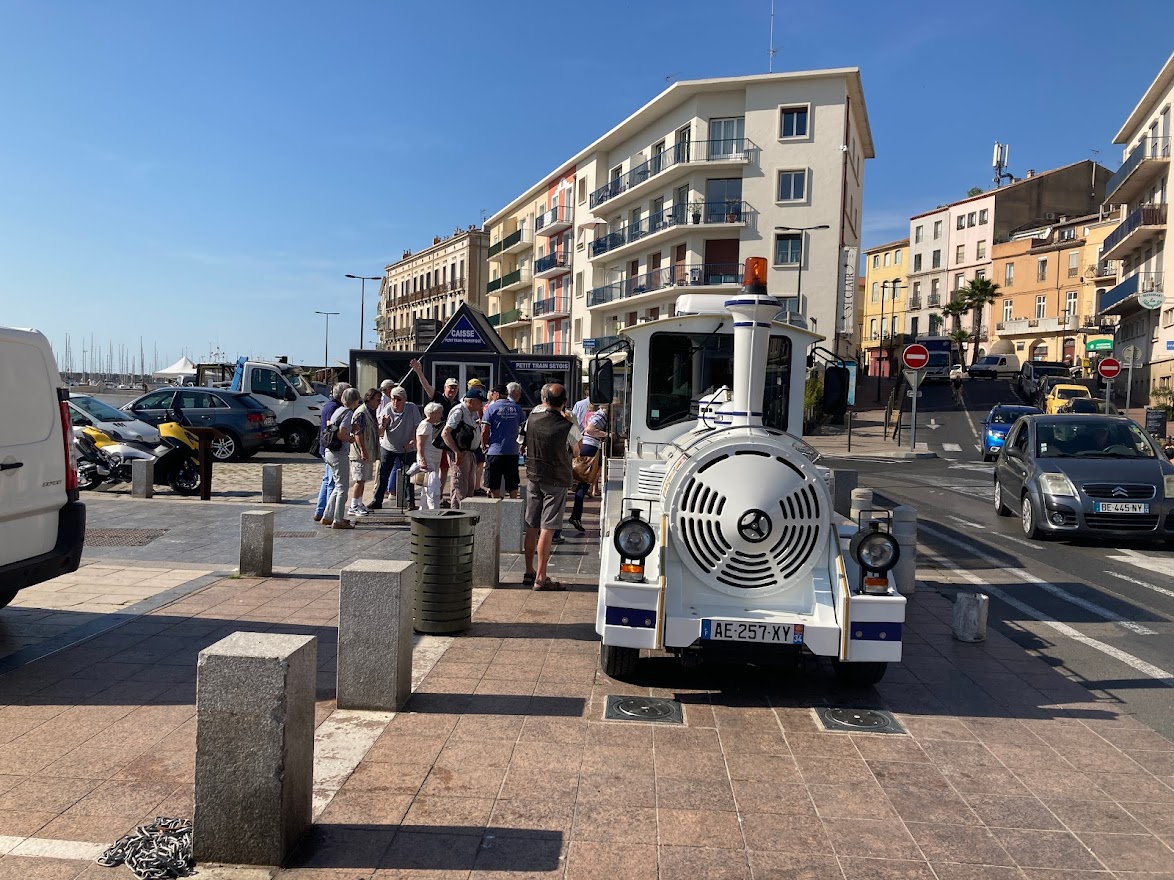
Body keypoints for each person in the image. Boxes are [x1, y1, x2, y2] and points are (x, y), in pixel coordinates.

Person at [522, 384, 581, 590]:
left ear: (544, 400)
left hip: (534, 476)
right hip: (556, 479)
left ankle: (528, 571)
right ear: (564, 402)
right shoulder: (569, 426)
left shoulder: (531, 419)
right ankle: (541, 577)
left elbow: (523, 442)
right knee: (547, 528)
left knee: (531, 525)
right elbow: (576, 452)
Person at [372, 384, 421, 510]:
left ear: (404, 399)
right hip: (389, 446)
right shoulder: (387, 409)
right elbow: (380, 432)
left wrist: (413, 440)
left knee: (408, 475)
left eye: (398, 399)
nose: (395, 402)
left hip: (407, 448)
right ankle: (377, 501)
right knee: (383, 474)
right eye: (393, 398)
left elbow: (417, 426)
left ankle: (410, 502)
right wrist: (383, 425)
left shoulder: (411, 408)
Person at [323, 387, 362, 530]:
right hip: (339, 452)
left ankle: (328, 516)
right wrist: (351, 439)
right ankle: (338, 520)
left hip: (329, 451)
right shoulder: (349, 412)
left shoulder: (338, 410)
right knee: (343, 488)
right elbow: (341, 434)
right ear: (354, 401)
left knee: (337, 486)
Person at [442, 386, 485, 509]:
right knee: (459, 485)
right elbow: (445, 433)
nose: (481, 404)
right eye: (479, 402)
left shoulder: (471, 412)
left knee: (469, 486)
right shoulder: (458, 411)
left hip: (470, 453)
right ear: (470, 401)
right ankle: (457, 514)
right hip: (460, 453)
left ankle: (466, 514)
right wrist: (456, 452)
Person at [568, 404, 609, 532]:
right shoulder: (602, 415)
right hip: (590, 447)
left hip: (589, 446)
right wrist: (607, 434)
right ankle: (575, 516)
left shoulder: (598, 414)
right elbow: (589, 429)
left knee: (584, 483)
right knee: (584, 482)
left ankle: (576, 516)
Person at [314, 382, 350, 523]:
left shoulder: (330, 405)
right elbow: (333, 429)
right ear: (342, 395)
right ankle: (330, 514)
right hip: (333, 448)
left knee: (328, 480)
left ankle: (321, 511)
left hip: (327, 448)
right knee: (332, 483)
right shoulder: (335, 407)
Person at [483, 382, 524, 499]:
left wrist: (483, 444)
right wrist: (521, 444)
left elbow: (485, 430)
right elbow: (524, 428)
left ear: (496, 394)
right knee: (512, 483)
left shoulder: (491, 408)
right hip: (512, 451)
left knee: (494, 482)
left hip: (495, 451)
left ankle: (497, 507)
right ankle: (513, 506)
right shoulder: (517, 408)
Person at [347, 389, 380, 518]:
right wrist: (363, 450)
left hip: (368, 451)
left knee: (363, 479)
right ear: (370, 399)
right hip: (360, 453)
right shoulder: (361, 412)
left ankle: (359, 503)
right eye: (377, 399)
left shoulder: (371, 412)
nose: (379, 402)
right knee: (359, 479)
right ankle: (353, 505)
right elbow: (357, 433)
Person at [415, 402, 446, 510]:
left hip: (435, 457)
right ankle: (433, 509)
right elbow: (419, 444)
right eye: (439, 413)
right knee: (431, 486)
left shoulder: (435, 425)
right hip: (427, 459)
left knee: (427, 487)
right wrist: (423, 460)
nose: (441, 415)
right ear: (432, 413)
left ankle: (423, 509)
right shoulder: (425, 425)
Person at [468, 378, 488, 494]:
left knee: (479, 462)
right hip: (472, 436)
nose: (480, 390)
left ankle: (475, 486)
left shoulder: (477, 402)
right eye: (478, 387)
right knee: (475, 462)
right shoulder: (469, 402)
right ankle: (475, 487)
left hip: (476, 435)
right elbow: (479, 419)